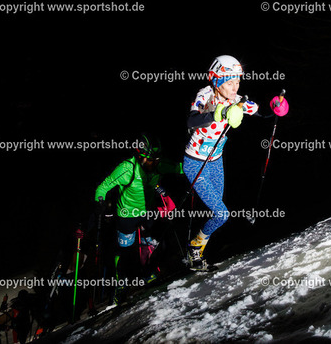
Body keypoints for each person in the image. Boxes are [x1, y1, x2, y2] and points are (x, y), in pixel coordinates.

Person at [184, 55, 259, 270]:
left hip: (216, 162)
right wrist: (219, 113)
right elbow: (191, 119)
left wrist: (275, 107)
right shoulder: (206, 95)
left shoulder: (236, 99)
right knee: (222, 214)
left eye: (238, 82)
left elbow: (256, 110)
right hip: (195, 163)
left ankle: (199, 249)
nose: (235, 87)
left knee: (219, 213)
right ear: (217, 82)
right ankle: (194, 249)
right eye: (230, 83)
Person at [94, 133, 180, 303]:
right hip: (126, 215)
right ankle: (121, 284)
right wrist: (100, 202)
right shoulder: (127, 169)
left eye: (156, 160)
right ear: (140, 156)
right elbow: (103, 187)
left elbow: (182, 168)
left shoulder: (159, 165)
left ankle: (147, 273)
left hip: (147, 212)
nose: (154, 164)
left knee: (153, 244)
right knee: (125, 251)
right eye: (150, 160)